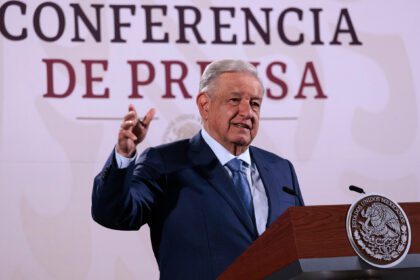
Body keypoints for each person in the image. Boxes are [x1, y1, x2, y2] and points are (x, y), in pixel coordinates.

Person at [92, 59, 304, 279]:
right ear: (205, 105)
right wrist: (124, 156)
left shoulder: (281, 170)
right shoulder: (165, 162)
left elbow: (303, 246)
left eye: (255, 103)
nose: (247, 112)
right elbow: (113, 214)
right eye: (234, 100)